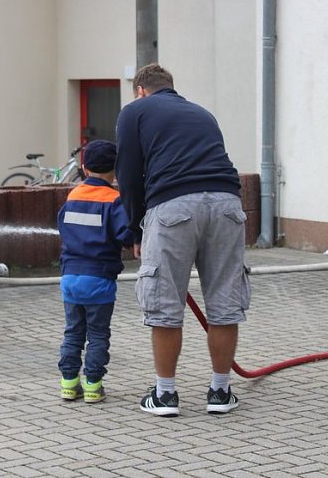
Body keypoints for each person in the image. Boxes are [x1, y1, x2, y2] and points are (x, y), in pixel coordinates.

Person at [115, 63, 251, 417]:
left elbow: (128, 174)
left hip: (173, 206)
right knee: (224, 301)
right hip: (227, 205)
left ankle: (165, 396)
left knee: (164, 304)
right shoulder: (202, 113)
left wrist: (134, 229)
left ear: (141, 90)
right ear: (171, 88)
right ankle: (220, 392)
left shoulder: (135, 111)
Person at [56, 140, 133, 403]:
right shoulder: (114, 199)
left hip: (70, 279)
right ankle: (92, 385)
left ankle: (68, 383)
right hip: (99, 280)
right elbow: (125, 234)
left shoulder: (73, 196)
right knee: (98, 335)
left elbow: (64, 229)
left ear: (85, 168)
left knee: (73, 332)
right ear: (115, 170)